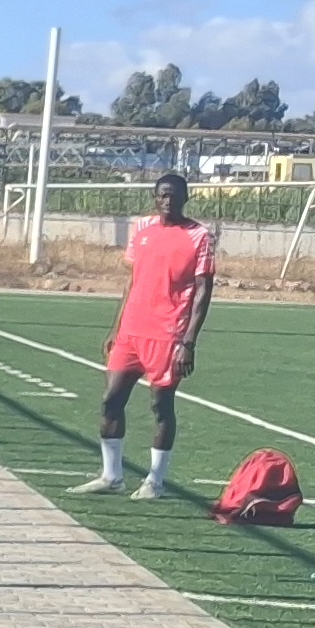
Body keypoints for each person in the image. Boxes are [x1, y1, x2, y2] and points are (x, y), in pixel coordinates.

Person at [78, 172, 215, 498]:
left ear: (186, 197)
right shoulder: (141, 228)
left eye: (174, 195)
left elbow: (203, 291)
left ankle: (155, 480)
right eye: (162, 195)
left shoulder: (199, 236)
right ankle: (111, 476)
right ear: (155, 197)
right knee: (111, 400)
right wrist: (116, 328)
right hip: (131, 332)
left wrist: (188, 341)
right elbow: (133, 280)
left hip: (168, 334)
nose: (168, 201)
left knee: (160, 405)